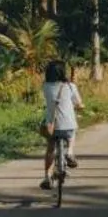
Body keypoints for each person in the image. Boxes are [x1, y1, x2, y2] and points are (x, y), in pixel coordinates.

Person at [39, 59, 83, 190]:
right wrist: (80, 106)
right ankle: (69, 152)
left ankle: (47, 177)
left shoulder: (45, 86)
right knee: (72, 133)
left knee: (50, 149)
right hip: (68, 125)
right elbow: (78, 103)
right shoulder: (70, 86)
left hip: (52, 126)